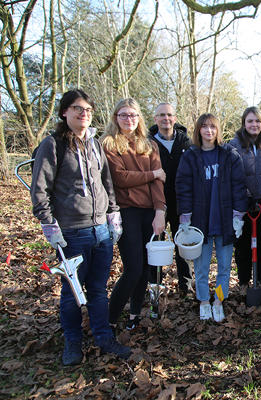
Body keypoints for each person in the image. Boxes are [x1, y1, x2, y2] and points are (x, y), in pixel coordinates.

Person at [31, 89, 131, 365]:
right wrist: (48, 223)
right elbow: (40, 189)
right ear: (65, 112)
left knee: (98, 288)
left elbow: (105, 181)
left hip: (101, 230)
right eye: (77, 109)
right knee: (72, 291)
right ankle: (72, 342)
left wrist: (113, 213)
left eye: (87, 109)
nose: (83, 113)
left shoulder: (95, 144)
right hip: (72, 232)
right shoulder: (53, 146)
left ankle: (103, 337)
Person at [103, 98, 167, 331]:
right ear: (116, 118)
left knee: (146, 269)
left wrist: (160, 211)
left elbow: (159, 185)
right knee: (133, 268)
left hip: (149, 212)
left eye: (133, 115)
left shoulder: (149, 145)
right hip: (126, 211)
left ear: (139, 118)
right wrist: (152, 174)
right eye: (123, 115)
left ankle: (133, 315)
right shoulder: (109, 144)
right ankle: (109, 318)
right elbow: (120, 178)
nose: (129, 119)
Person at [176, 113, 247, 322]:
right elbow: (183, 187)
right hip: (200, 222)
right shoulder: (190, 156)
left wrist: (238, 216)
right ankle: (204, 301)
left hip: (225, 220)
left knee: (225, 266)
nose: (209, 131)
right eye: (204, 127)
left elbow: (239, 186)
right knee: (201, 266)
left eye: (213, 127)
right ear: (198, 130)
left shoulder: (229, 155)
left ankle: (219, 300)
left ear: (218, 130)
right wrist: (185, 218)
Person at [230, 107, 261, 292]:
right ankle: (244, 282)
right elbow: (232, 176)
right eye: (250, 121)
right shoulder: (233, 145)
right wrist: (244, 197)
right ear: (244, 123)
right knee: (243, 247)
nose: (254, 125)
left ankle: (260, 280)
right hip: (243, 206)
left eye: (258, 121)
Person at [148, 103, 192, 300]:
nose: (166, 118)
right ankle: (154, 286)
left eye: (169, 115)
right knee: (156, 243)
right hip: (156, 203)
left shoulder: (186, 142)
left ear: (175, 118)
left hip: (181, 202)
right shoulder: (147, 143)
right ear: (155, 119)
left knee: (182, 243)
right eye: (161, 115)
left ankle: (187, 285)